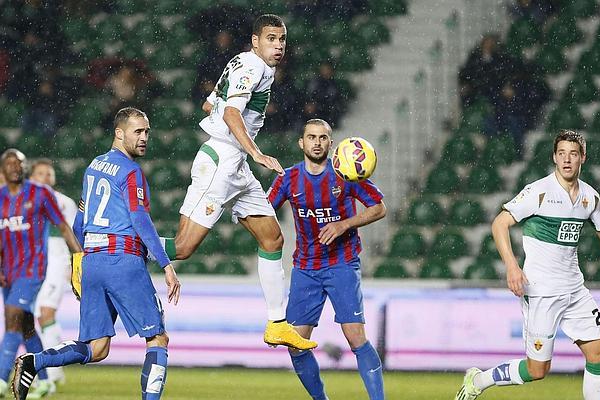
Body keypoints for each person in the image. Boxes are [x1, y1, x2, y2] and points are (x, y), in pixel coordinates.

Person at [159, 14, 316, 351]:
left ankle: (277, 323)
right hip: (222, 161)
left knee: (273, 239)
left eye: (282, 40)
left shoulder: (243, 63)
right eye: (271, 39)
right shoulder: (254, 66)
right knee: (183, 248)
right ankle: (103, 247)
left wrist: (240, 144)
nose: (278, 46)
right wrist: (257, 153)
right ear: (255, 40)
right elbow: (231, 114)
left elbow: (211, 101)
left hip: (235, 165)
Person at [12, 107, 181, 400]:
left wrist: (79, 264)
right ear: (119, 133)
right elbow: (140, 219)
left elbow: (79, 221)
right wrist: (166, 265)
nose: (144, 138)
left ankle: (34, 361)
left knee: (97, 347)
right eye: (138, 131)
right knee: (157, 338)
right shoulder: (131, 171)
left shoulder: (94, 167)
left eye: (147, 132)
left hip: (93, 262)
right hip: (122, 261)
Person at [455, 130, 600, 400]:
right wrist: (512, 267)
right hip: (541, 291)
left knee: (599, 352)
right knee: (537, 370)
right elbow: (499, 223)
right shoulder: (538, 192)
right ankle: (479, 380)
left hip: (575, 290)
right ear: (554, 157)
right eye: (561, 153)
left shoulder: (590, 198)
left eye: (573, 154)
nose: (566, 159)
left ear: (582, 158)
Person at [268, 119, 387, 400]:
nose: (317, 142)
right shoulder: (288, 178)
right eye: (311, 137)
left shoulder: (345, 173)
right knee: (296, 345)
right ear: (302, 142)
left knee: (356, 337)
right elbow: (264, 210)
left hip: (342, 264)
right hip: (306, 269)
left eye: (323, 138)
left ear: (331, 144)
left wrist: (344, 224)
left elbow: (379, 208)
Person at [0, 148, 82, 398]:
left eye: (20, 163)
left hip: (32, 269)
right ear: (2, 170)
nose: (15, 167)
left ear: (25, 167)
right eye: (9, 163)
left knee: (12, 320)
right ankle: (45, 380)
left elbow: (64, 227)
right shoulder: (0, 198)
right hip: (8, 272)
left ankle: (2, 379)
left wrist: (79, 259)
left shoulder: (41, 194)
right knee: (25, 326)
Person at [29, 158, 78, 387]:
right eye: (40, 174)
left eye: (49, 174)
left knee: (46, 313)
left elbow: (74, 234)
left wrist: (75, 263)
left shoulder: (63, 202)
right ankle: (53, 373)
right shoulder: (24, 201)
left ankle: (52, 373)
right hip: (33, 264)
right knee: (41, 316)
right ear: (31, 178)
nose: (46, 178)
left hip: (56, 262)